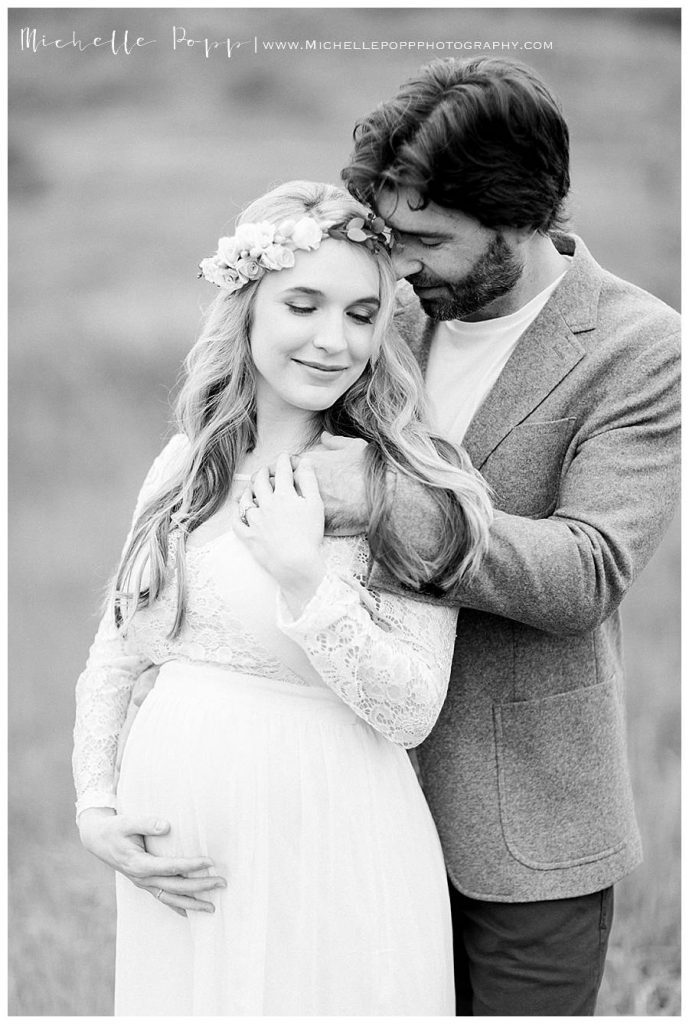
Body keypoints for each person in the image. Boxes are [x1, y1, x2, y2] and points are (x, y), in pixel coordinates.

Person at [285, 57, 679, 1016]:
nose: (404, 266)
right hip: (351, 797)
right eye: (394, 238)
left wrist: (382, 501)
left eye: (428, 240)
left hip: (527, 829)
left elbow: (586, 571)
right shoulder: (382, 312)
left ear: (520, 219)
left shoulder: (642, 350)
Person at [72, 180, 494, 1015]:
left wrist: (305, 580)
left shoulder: (406, 484)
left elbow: (410, 710)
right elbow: (117, 653)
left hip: (327, 842)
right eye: (303, 304)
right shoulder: (186, 461)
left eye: (361, 315)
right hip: (178, 872)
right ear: (248, 306)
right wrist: (96, 806)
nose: (331, 340)